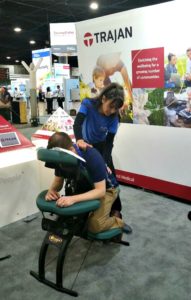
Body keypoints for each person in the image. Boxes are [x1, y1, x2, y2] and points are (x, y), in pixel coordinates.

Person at [45, 132, 132, 234]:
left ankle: (117, 221)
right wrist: (51, 191)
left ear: (71, 150)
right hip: (85, 187)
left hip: (107, 189)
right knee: (73, 220)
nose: (59, 164)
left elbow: (100, 191)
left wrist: (73, 199)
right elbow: (58, 181)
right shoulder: (59, 157)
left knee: (95, 226)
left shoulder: (91, 155)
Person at [73, 83, 125, 219]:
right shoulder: (88, 104)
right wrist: (79, 139)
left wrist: (105, 162)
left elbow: (109, 143)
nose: (112, 111)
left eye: (116, 108)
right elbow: (77, 123)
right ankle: (80, 213)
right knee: (82, 177)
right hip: (85, 145)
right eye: (111, 106)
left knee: (111, 178)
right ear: (103, 99)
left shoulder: (114, 118)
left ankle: (116, 212)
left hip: (102, 147)